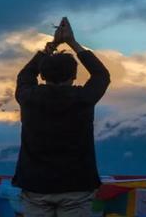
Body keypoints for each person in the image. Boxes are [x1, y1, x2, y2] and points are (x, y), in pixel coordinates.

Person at [13, 17, 112, 217]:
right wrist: (73, 43)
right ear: (74, 76)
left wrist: (52, 45)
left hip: (35, 185)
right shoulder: (83, 98)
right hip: (77, 185)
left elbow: (25, 75)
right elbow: (101, 75)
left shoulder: (28, 98)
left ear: (42, 75)